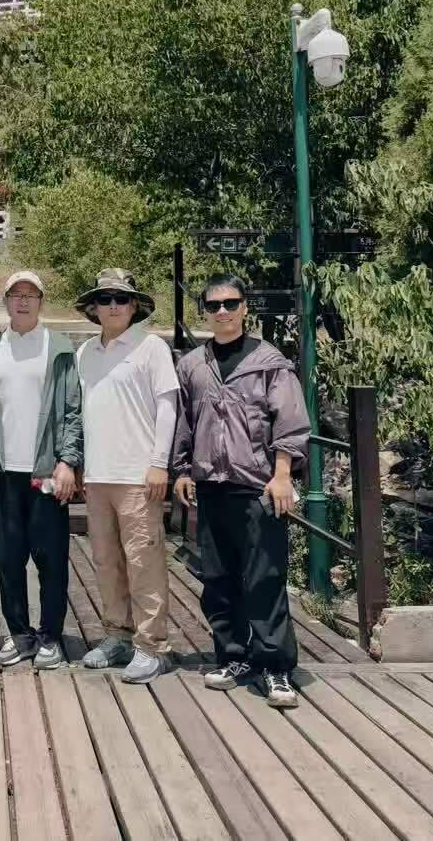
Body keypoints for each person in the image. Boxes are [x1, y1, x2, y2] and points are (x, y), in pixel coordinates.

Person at [172, 275, 308, 708]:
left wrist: (282, 475)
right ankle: (233, 655)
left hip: (258, 487)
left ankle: (275, 666)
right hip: (211, 486)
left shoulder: (270, 362)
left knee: (265, 578)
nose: (223, 312)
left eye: (231, 303)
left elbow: (290, 421)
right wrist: (181, 470)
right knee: (218, 578)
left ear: (245, 308)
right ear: (204, 312)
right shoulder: (192, 365)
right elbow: (184, 423)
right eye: (214, 305)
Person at [75, 268, 179, 684]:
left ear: (134, 306)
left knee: (143, 561)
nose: (113, 306)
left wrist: (160, 462)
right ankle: (116, 635)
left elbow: (167, 407)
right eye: (105, 299)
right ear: (94, 307)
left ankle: (153, 646)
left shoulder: (151, 347)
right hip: (98, 475)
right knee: (106, 560)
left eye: (121, 298)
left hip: (139, 475)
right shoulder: (84, 353)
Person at [0, 270, 82, 672]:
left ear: (41, 301)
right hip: (3, 471)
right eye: (15, 294)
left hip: (46, 472)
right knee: (8, 558)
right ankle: (20, 634)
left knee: (51, 558)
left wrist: (68, 461)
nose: (23, 301)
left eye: (31, 295)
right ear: (6, 301)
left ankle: (50, 636)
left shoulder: (58, 347)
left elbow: (73, 409)